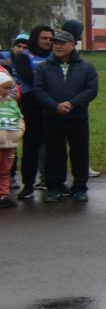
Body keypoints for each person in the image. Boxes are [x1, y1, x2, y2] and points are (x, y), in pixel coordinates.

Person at [30, 28, 97, 202]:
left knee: (80, 153)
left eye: (62, 43)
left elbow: (91, 89)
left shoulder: (86, 67)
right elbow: (39, 89)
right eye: (55, 43)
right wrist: (55, 105)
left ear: (73, 45)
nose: (58, 47)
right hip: (53, 117)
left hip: (78, 117)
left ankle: (80, 187)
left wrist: (72, 103)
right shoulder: (44, 67)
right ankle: (54, 187)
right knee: (54, 154)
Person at [9, 25, 55, 200]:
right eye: (44, 38)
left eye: (51, 39)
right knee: (31, 146)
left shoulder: (55, 56)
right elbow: (29, 78)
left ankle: (54, 182)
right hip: (32, 104)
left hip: (52, 103)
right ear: (35, 39)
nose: (48, 42)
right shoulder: (24, 57)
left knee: (53, 146)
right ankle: (28, 185)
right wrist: (52, 81)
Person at [0, 60, 20, 208]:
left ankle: (3, 195)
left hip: (10, 143)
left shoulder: (12, 103)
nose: (8, 91)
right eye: (5, 88)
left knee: (5, 170)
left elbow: (20, 119)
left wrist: (19, 132)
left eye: (9, 88)